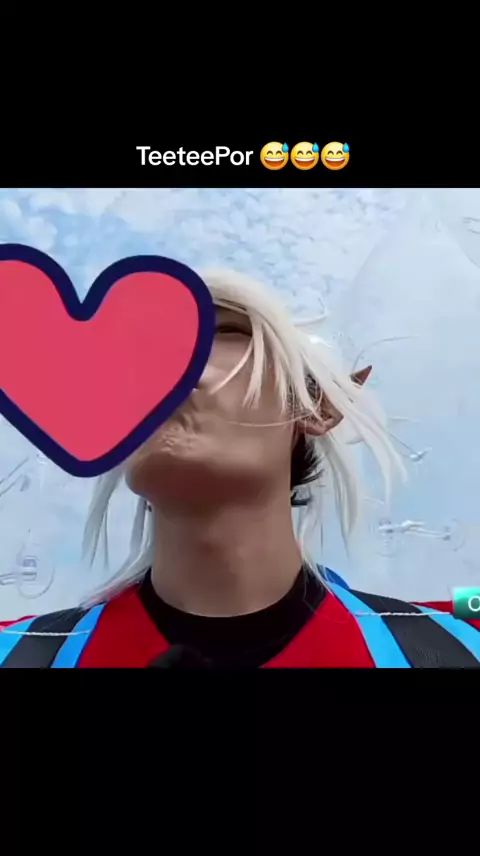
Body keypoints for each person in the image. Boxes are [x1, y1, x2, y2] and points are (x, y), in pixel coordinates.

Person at [1, 269, 480, 668]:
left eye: (219, 333)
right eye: (139, 356)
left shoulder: (453, 646)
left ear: (316, 403)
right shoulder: (17, 651)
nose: (156, 370)